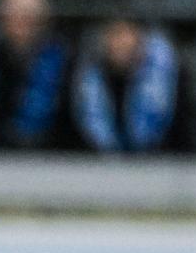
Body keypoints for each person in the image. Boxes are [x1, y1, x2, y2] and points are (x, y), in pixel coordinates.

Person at [0, 0, 73, 151]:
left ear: (44, 20)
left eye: (30, 15)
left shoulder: (65, 60)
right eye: (14, 13)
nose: (21, 21)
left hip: (50, 155)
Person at [71, 17, 189, 154]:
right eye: (115, 34)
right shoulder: (86, 78)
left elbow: (182, 133)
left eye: (128, 34)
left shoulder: (167, 77)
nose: (122, 43)